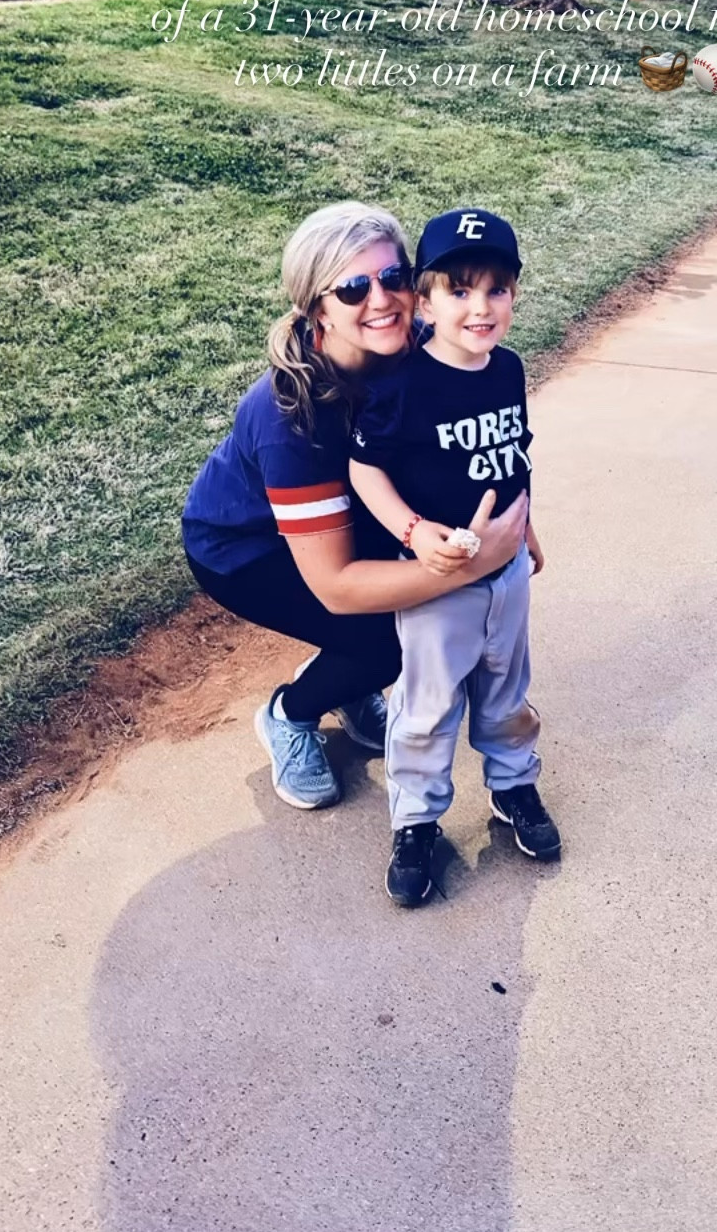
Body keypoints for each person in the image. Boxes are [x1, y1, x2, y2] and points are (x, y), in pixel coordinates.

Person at [182, 202, 528, 812]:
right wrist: (476, 562)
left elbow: (479, 440)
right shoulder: (291, 417)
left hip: (358, 513)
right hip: (245, 548)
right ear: (317, 307)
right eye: (351, 288)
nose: (382, 300)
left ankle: (350, 679)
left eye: (393, 278)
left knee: (407, 618)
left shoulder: (422, 347)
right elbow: (338, 585)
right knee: (388, 639)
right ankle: (291, 712)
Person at [349, 207, 560, 908]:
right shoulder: (402, 383)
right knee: (428, 705)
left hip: (504, 574)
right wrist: (413, 533)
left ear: (514, 295)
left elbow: (512, 451)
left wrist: (525, 524)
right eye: (460, 291)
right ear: (426, 299)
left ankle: (513, 787)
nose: (480, 308)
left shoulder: (507, 368)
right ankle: (415, 820)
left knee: (506, 687)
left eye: (496, 290)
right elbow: (365, 470)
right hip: (438, 580)